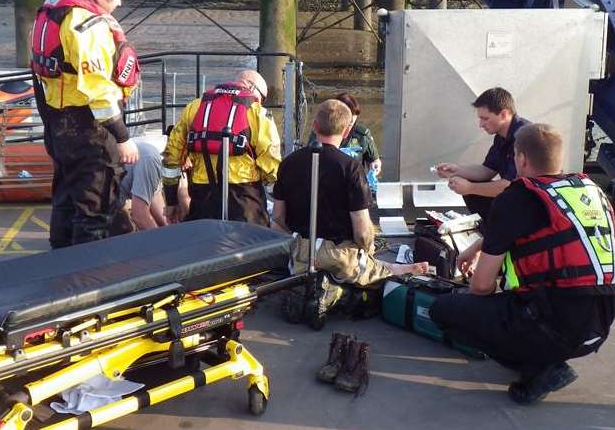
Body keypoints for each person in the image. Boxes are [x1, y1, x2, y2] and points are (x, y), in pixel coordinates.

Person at [430, 123, 615, 405]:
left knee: (445, 309)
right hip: (600, 324)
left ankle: (540, 368)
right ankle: (543, 353)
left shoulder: (516, 197)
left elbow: (481, 286)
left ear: (521, 159)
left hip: (553, 327)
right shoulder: (590, 190)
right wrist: (478, 246)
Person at [272, 100, 427, 324]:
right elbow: (362, 229)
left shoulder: (288, 163)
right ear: (346, 131)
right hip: (339, 255)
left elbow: (277, 217)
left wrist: (295, 238)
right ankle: (334, 293)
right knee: (378, 273)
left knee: (314, 265)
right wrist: (367, 249)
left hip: (300, 253)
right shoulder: (351, 167)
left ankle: (311, 283)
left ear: (314, 127)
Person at [30, 0, 140, 248]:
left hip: (58, 123)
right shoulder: (86, 23)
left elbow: (39, 76)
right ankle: (88, 280)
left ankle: (61, 262)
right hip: (87, 129)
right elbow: (99, 89)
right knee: (95, 211)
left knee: (66, 201)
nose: (119, 3)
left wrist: (50, 127)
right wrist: (122, 136)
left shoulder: (52, 9)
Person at [161, 70, 281, 226]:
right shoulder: (258, 113)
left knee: (204, 244)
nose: (260, 102)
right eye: (262, 97)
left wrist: (171, 201)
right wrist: (267, 182)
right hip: (244, 197)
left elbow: (172, 156)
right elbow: (271, 162)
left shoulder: (195, 107)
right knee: (252, 245)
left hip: (202, 195)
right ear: (251, 86)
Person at [436, 87, 530, 220]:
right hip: (517, 197)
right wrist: (457, 171)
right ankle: (490, 231)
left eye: (485, 118)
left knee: (473, 189)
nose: (481, 124)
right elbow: (487, 170)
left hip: (531, 203)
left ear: (503, 114)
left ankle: (498, 236)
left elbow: (509, 186)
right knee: (471, 185)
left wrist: (470, 188)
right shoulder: (501, 136)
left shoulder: (524, 137)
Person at [308, 92, 381, 175]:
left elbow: (375, 160)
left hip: (353, 180)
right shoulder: (321, 132)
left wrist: (375, 167)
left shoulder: (362, 135)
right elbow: (309, 158)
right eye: (348, 122)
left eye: (352, 122)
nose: (349, 126)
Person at [120, 140, 166, 230]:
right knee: (126, 231)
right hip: (97, 199)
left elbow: (155, 200)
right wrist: (163, 241)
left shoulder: (153, 157)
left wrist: (172, 232)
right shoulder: (151, 161)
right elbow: (139, 216)